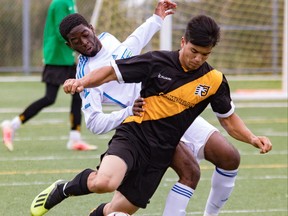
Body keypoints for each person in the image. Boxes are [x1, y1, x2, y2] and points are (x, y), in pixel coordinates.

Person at [32, 11, 272, 216]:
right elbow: (109, 75)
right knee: (113, 182)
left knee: (228, 157)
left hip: (176, 125)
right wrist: (82, 83)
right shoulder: (156, 62)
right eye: (194, 51)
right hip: (138, 127)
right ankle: (64, 189)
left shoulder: (213, 80)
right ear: (182, 42)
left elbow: (131, 45)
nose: (198, 59)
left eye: (205, 54)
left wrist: (251, 137)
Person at [1, 0, 96, 151]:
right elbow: (62, 33)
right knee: (50, 98)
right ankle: (12, 125)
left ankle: (75, 139)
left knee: (78, 93)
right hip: (57, 58)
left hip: (66, 58)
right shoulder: (60, 3)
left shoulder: (69, 2)